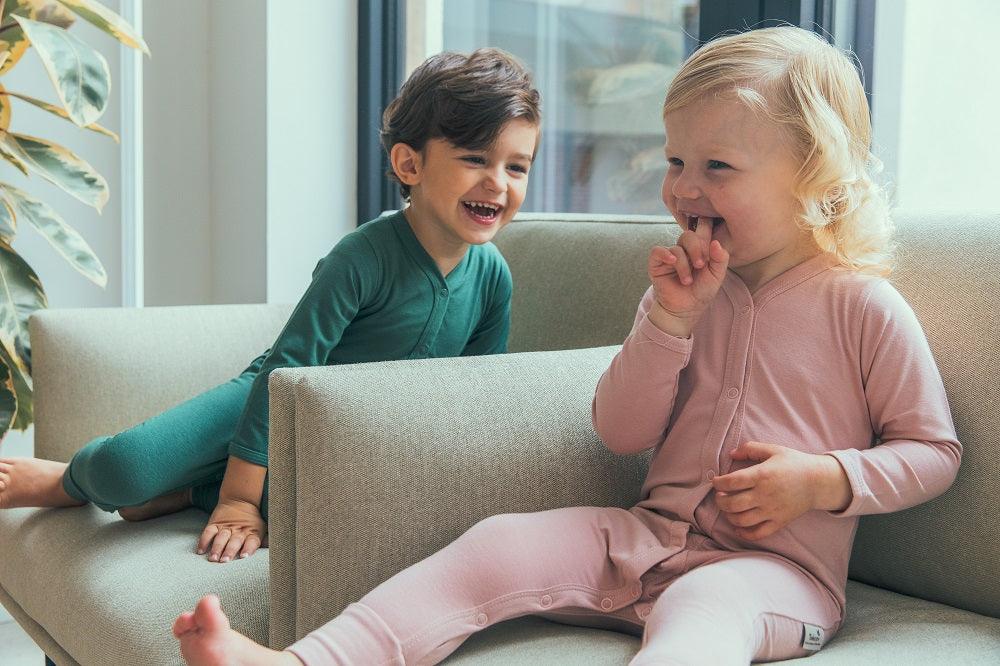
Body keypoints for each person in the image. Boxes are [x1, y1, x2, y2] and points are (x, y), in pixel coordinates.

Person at [172, 26, 961, 665]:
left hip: (778, 577)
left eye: (716, 166)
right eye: (675, 161)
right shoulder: (682, 289)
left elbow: (933, 450)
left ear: (815, 174)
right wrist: (670, 323)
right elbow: (619, 431)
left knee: (703, 608)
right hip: (647, 534)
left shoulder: (864, 307)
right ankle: (306, 662)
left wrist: (825, 480)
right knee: (499, 543)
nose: (684, 188)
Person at [0, 47, 541, 567]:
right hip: (266, 399)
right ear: (409, 164)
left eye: (517, 167)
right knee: (126, 468)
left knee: (339, 517)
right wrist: (238, 499)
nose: (497, 182)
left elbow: (475, 392)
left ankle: (190, 491)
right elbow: (287, 370)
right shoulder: (363, 256)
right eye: (475, 159)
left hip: (346, 438)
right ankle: (67, 480)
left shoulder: (493, 278)